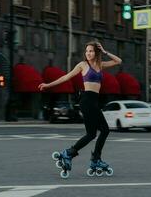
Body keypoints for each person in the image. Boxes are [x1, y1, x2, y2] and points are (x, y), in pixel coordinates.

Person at [38, 41, 122, 173]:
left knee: (94, 133)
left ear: (96, 53)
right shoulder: (83, 65)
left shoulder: (100, 65)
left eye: (91, 51)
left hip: (94, 101)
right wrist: (48, 85)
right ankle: (87, 157)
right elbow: (66, 77)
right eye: (87, 51)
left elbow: (118, 61)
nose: (88, 53)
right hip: (87, 100)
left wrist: (105, 52)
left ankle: (74, 154)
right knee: (101, 131)